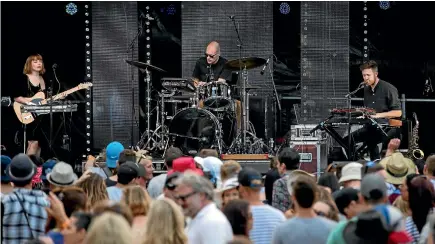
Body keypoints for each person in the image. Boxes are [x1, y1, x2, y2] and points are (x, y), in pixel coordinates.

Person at [346, 60, 402, 161]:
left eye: (368, 75)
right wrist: (363, 114)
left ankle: (375, 163)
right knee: (348, 140)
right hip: (371, 126)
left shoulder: (388, 88)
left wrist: (377, 115)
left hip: (386, 128)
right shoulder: (366, 89)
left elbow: (398, 112)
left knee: (372, 140)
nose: (365, 78)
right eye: (363, 75)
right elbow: (369, 111)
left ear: (376, 74)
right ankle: (356, 164)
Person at [13, 54, 66, 158]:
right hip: (28, 114)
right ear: (29, 64)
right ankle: (27, 170)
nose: (39, 63)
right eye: (35, 61)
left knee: (40, 146)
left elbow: (44, 99)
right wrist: (29, 103)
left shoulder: (45, 79)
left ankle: (37, 171)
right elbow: (16, 97)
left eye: (40, 61)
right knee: (33, 144)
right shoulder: (24, 78)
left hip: (42, 116)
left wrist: (59, 97)